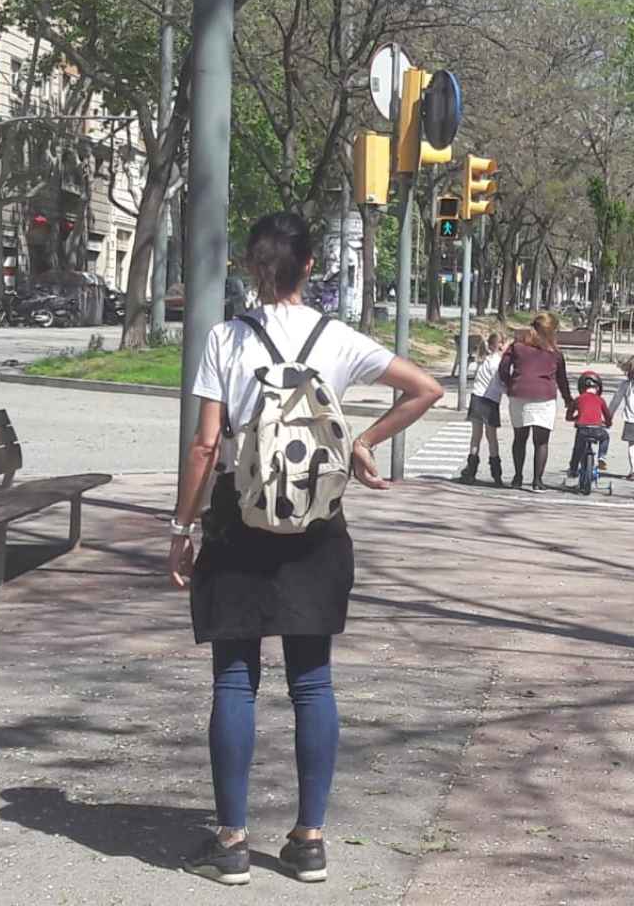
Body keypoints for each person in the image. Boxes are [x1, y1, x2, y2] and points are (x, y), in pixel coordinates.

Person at [169, 211, 444, 886]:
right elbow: (426, 389)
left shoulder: (226, 340)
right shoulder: (340, 339)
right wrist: (362, 442)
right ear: (312, 267)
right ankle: (309, 840)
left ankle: (231, 844)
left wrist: (183, 529)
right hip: (318, 525)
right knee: (312, 682)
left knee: (235, 679)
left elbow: (207, 445)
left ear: (251, 268)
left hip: (239, 522)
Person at [498, 312, 573, 491]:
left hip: (519, 395)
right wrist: (569, 401)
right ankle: (537, 481)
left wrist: (511, 385)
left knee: (519, 439)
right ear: (550, 331)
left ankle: (517, 478)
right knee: (541, 442)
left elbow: (503, 368)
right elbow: (562, 380)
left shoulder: (517, 346)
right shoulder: (555, 354)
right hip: (544, 397)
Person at [459, 332, 506, 485]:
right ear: (499, 345)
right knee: (492, 437)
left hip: (477, 397)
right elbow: (499, 384)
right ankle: (496, 473)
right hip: (490, 400)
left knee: (476, 436)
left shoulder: (485, 360)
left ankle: (470, 470)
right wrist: (510, 391)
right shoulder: (498, 363)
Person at [565, 370, 613, 488]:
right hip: (597, 428)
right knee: (605, 437)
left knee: (577, 449)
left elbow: (568, 416)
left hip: (583, 429)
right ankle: (602, 456)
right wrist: (608, 423)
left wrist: (575, 418)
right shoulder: (600, 400)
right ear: (598, 388)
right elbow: (607, 415)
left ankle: (573, 469)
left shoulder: (579, 399)